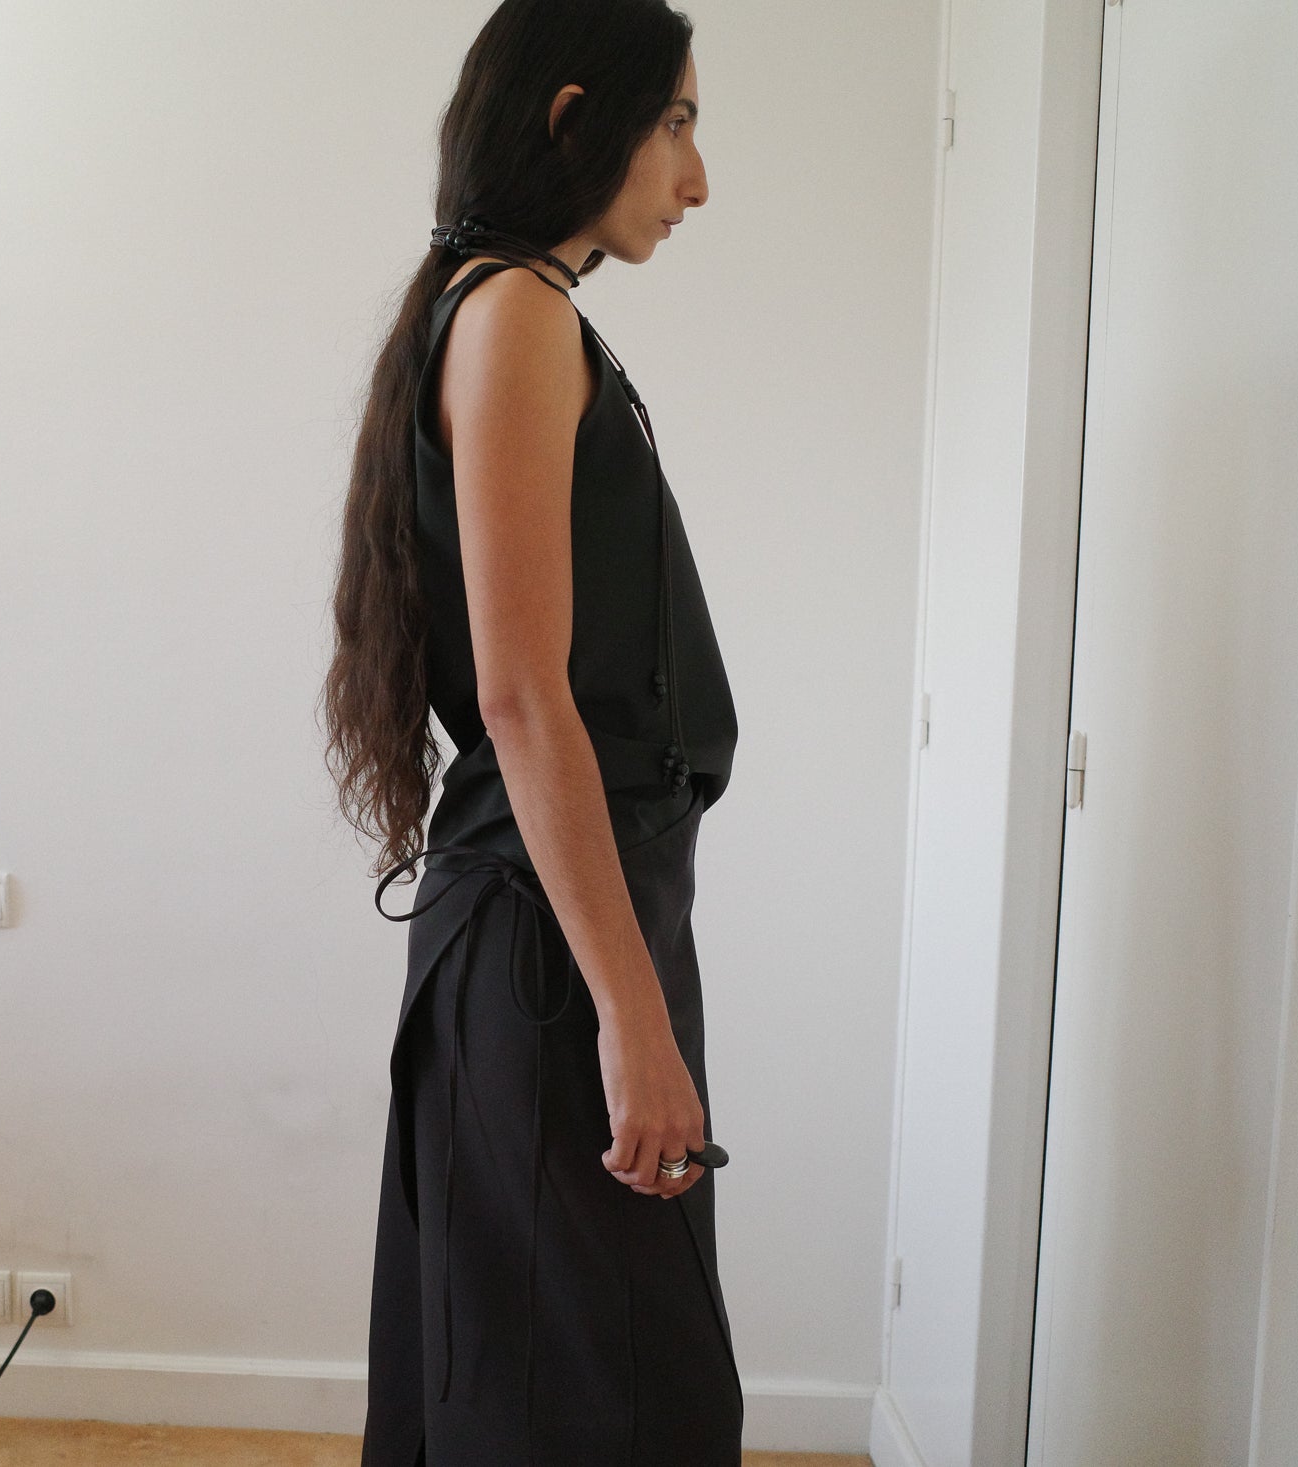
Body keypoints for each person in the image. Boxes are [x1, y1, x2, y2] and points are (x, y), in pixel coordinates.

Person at [319, 1, 740, 1461]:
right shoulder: (514, 315)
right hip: (554, 949)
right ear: (574, 118)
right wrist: (635, 1019)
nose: (696, 180)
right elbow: (521, 697)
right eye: (676, 123)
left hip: (559, 924)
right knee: (600, 1397)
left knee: (560, 1379)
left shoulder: (504, 307)